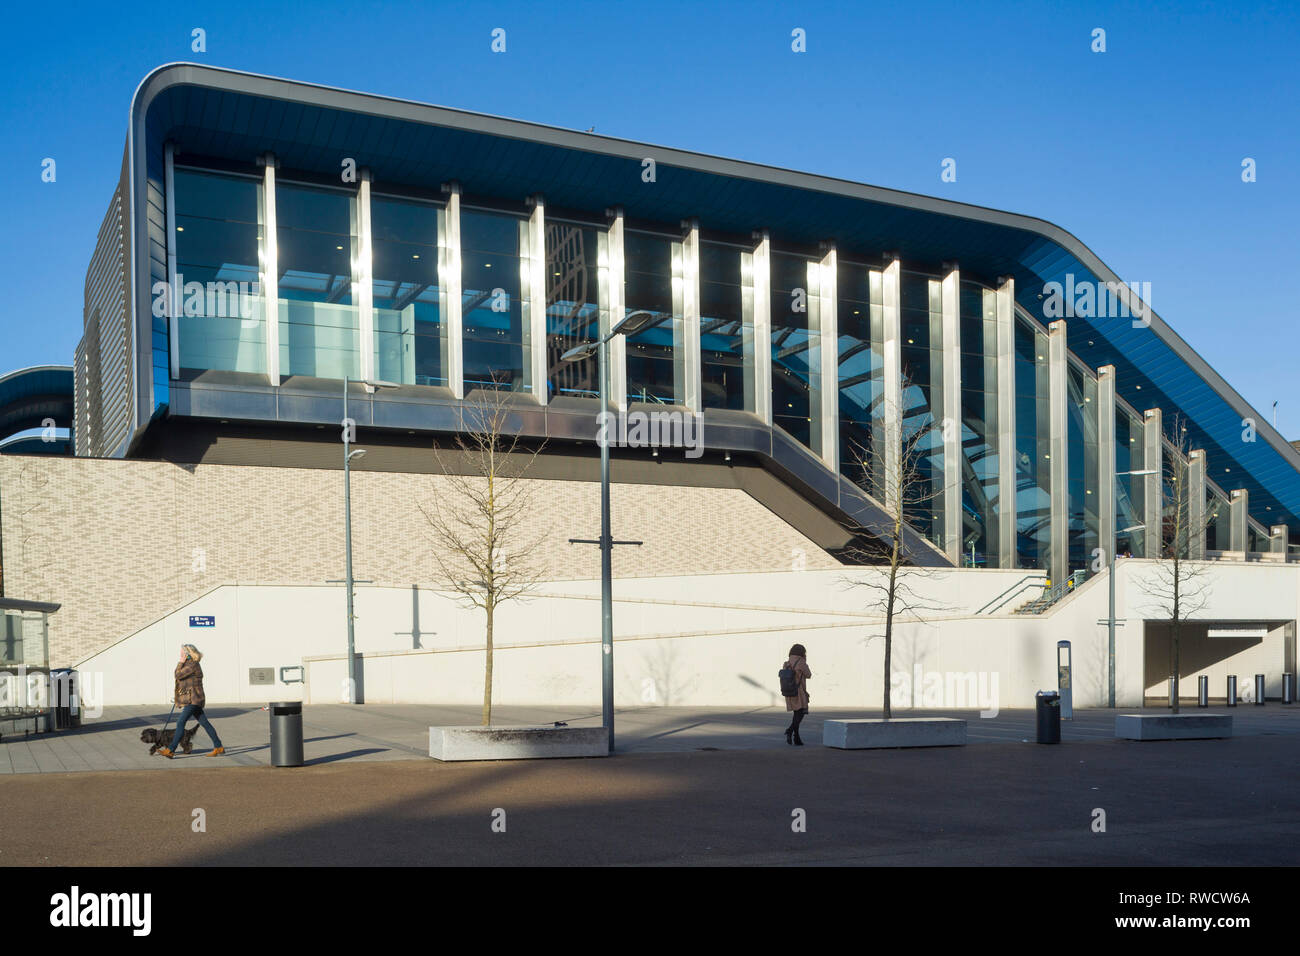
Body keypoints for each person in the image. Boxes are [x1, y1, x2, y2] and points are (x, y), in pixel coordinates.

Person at [158, 644, 224, 758]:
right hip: (193, 699)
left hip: (193, 700)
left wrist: (180, 662)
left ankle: (170, 750)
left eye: (182, 653)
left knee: (180, 723)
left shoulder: (192, 665)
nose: (180, 654)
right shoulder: (190, 664)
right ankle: (218, 747)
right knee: (205, 723)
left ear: (187, 654)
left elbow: (177, 675)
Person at [783, 643, 812, 746]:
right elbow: (808, 675)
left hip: (789, 692)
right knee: (800, 713)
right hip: (799, 692)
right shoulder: (801, 661)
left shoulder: (787, 662)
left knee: (797, 714)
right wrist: (805, 662)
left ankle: (796, 738)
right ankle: (790, 731)